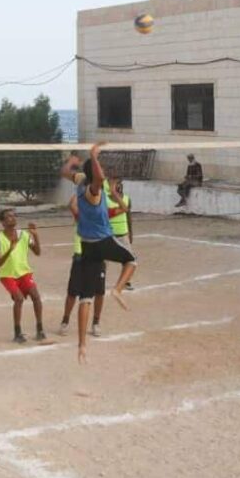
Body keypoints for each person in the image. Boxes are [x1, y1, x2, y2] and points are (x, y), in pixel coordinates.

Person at [60, 143, 137, 363]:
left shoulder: (79, 182)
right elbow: (100, 177)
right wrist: (94, 155)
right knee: (132, 260)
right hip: (102, 241)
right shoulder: (93, 191)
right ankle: (118, 290)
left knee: (86, 298)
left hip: (87, 246)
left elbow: (65, 172)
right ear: (94, 174)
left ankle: (82, 345)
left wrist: (71, 162)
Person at [0, 209, 45, 343]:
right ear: (2, 222)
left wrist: (35, 235)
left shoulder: (23, 235)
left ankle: (40, 329)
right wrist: (10, 249)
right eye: (9, 216)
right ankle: (17, 332)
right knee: (19, 299)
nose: (13, 218)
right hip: (7, 275)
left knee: (36, 296)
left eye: (14, 216)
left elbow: (37, 252)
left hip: (23, 272)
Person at [60, 194, 105, 338]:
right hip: (80, 259)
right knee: (72, 292)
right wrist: (82, 188)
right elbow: (71, 205)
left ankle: (96, 323)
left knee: (99, 292)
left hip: (97, 258)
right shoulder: (82, 218)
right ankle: (65, 320)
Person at [106, 177, 134, 290]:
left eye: (119, 183)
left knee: (129, 259)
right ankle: (98, 281)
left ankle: (126, 281)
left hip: (123, 234)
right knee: (104, 260)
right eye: (115, 183)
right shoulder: (105, 199)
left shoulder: (127, 199)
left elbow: (129, 217)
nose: (118, 185)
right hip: (109, 234)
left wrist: (130, 233)